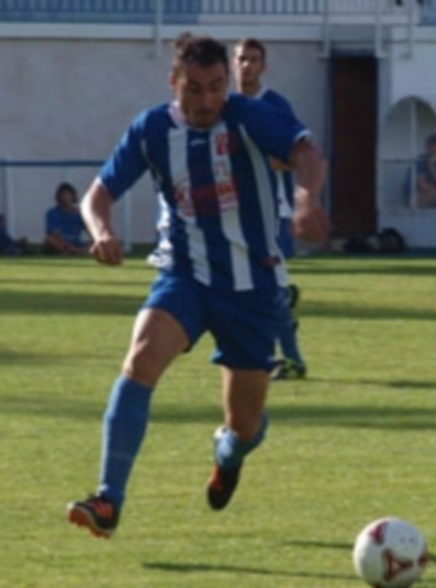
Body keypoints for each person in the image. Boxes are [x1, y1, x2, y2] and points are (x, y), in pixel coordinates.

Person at [66, 33, 328, 539]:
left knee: (246, 426)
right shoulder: (151, 130)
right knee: (140, 359)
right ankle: (107, 499)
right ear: (174, 83)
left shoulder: (249, 116)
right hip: (183, 275)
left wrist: (306, 198)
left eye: (215, 88)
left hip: (251, 288)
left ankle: (228, 455)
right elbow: (96, 196)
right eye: (195, 89)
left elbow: (307, 153)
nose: (207, 101)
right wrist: (102, 231)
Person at [232, 37, 306, 381]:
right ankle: (281, 322)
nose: (246, 65)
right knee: (249, 288)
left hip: (272, 212)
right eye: (241, 58)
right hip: (233, 213)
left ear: (264, 66)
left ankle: (290, 358)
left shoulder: (275, 105)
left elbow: (295, 158)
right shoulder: (224, 104)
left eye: (253, 59)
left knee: (268, 286)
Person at [44, 182, 89, 255]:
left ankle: (75, 251)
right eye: (63, 194)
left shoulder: (79, 214)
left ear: (73, 196)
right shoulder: (52, 213)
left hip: (77, 243)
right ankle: (73, 251)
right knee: (49, 240)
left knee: (96, 242)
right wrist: (68, 246)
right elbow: (54, 234)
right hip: (62, 243)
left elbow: (90, 231)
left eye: (68, 194)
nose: (65, 197)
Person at [412, 134, 436, 208]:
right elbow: (422, 186)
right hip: (414, 194)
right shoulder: (420, 160)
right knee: (433, 194)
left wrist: (432, 167)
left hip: (432, 194)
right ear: (428, 147)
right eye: (434, 147)